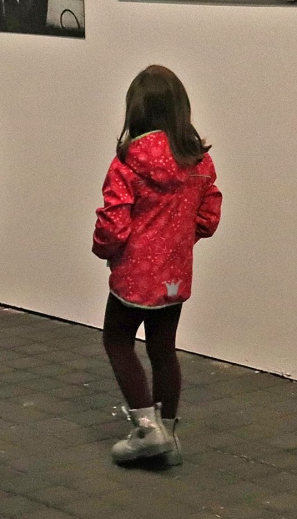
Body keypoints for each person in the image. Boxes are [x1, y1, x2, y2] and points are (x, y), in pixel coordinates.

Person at [93, 65, 221, 466]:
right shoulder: (198, 163)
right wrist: (179, 243)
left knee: (117, 340)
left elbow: (113, 225)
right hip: (174, 275)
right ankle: (168, 431)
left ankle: (147, 431)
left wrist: (103, 249)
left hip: (133, 276)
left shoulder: (127, 164)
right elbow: (208, 217)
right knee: (164, 349)